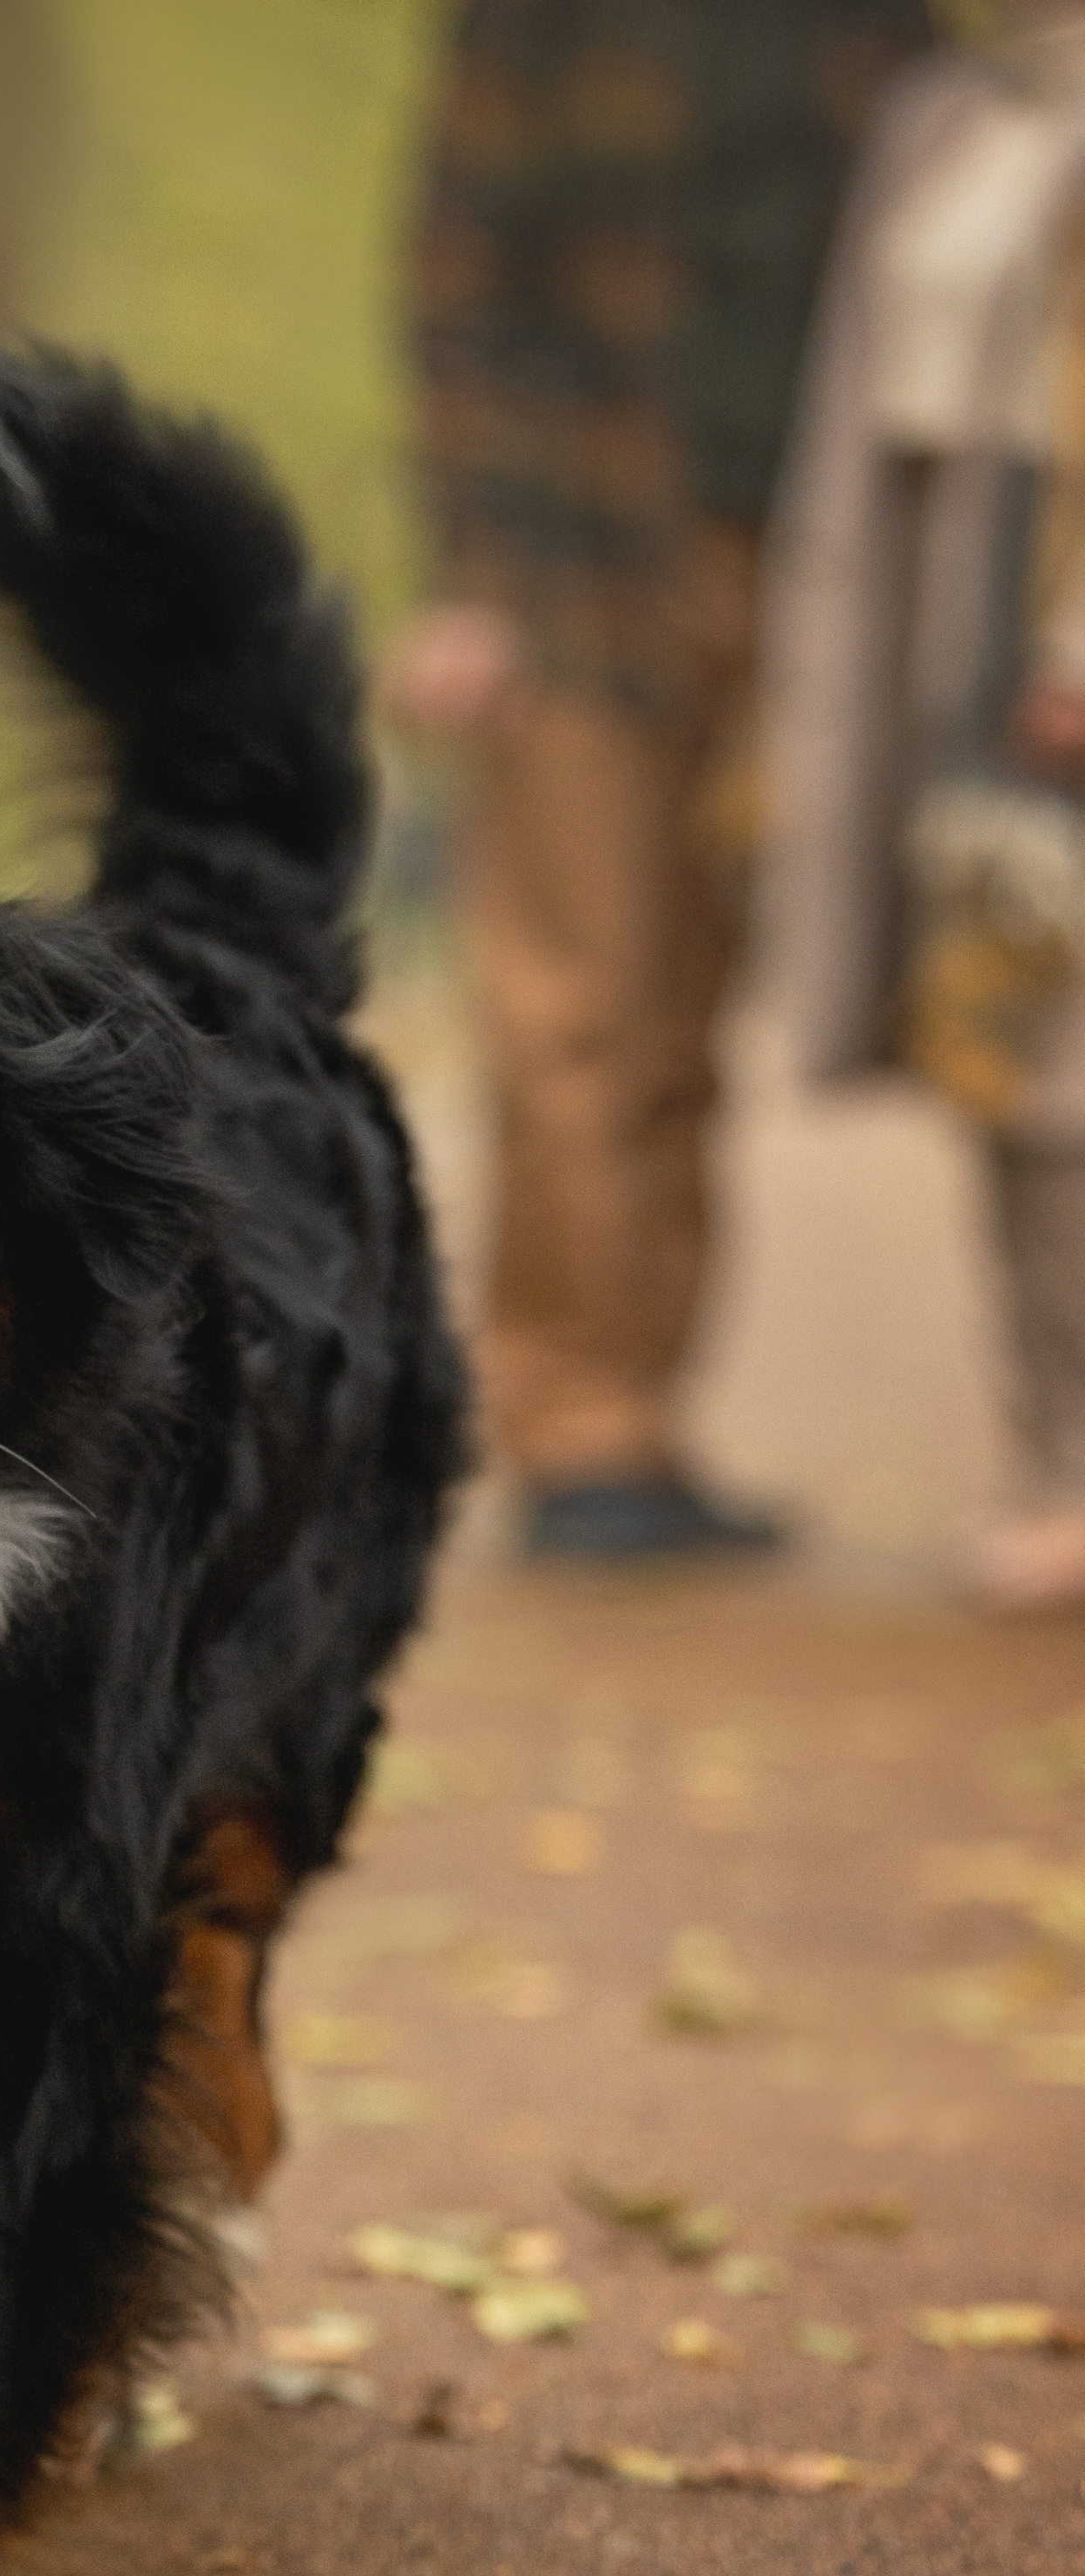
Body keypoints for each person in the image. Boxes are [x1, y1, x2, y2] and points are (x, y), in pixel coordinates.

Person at [385, 0, 932, 1563]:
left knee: (696, 1006)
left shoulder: (895, 30)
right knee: (578, 1003)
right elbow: (462, 282)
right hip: (583, 568)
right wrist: (474, 574)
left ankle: (648, 1414)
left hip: (834, 558)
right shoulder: (544, 24)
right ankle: (579, 1424)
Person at [764, 0, 1085, 1611]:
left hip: (1059, 631)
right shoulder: (945, 113)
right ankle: (1064, 1462)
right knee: (1018, 1070)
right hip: (962, 628)